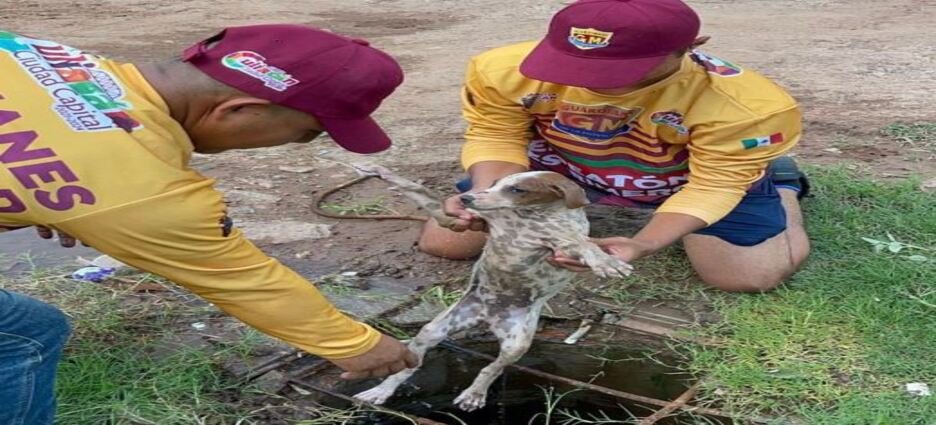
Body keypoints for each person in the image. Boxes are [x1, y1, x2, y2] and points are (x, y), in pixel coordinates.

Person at [0, 24, 418, 424]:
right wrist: (357, 344)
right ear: (241, 110)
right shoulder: (147, 188)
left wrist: (35, 192)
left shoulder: (32, 52)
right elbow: (245, 282)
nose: (297, 143)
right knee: (28, 334)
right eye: (306, 133)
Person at [418, 0, 811, 293]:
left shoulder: (747, 107)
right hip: (569, 169)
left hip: (687, 180)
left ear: (690, 47)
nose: (591, 82)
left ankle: (782, 185)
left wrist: (644, 242)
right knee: (445, 242)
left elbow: (713, 186)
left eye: (617, 71)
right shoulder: (501, 70)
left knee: (748, 278)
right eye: (572, 64)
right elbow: (496, 133)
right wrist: (490, 195)